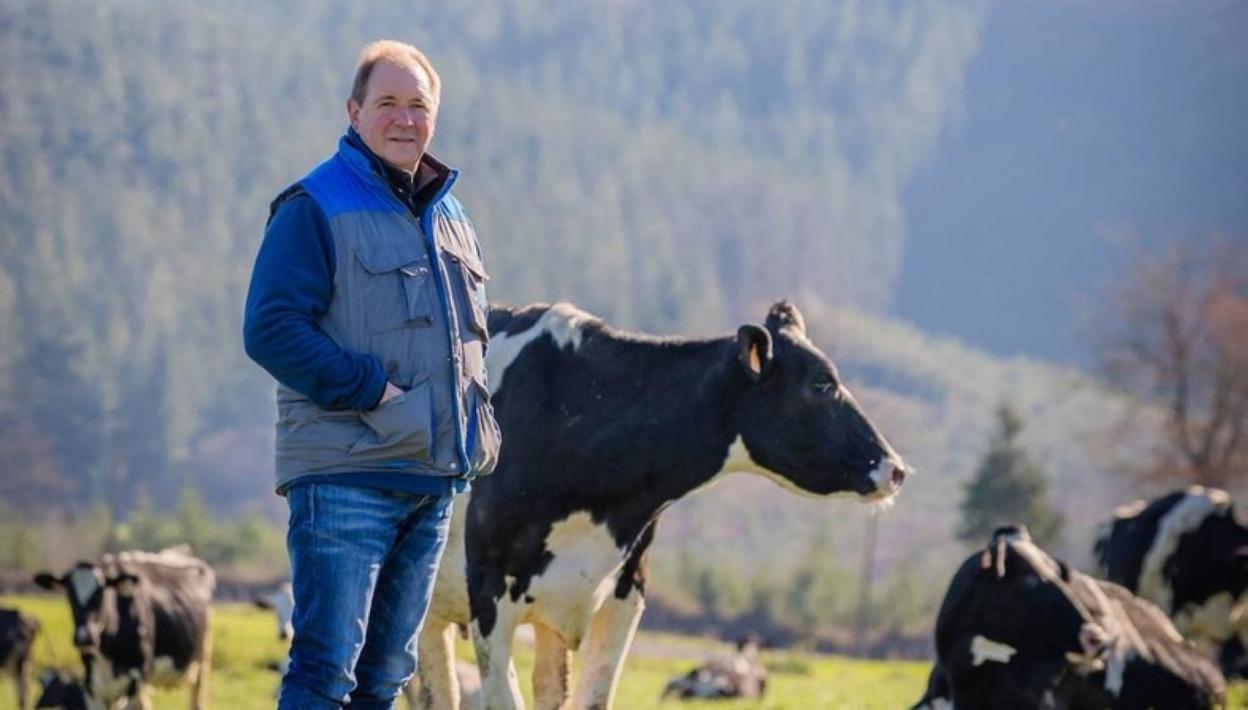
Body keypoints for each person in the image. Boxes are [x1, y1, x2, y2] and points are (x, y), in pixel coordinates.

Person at [243, 39, 500, 708]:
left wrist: (476, 417)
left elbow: (463, 339)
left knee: (384, 677)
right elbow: (270, 329)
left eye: (418, 105)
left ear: (435, 116)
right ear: (354, 111)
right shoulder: (313, 205)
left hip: (430, 478)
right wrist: (374, 392)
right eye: (387, 103)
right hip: (346, 474)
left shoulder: (452, 217)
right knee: (326, 669)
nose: (404, 119)